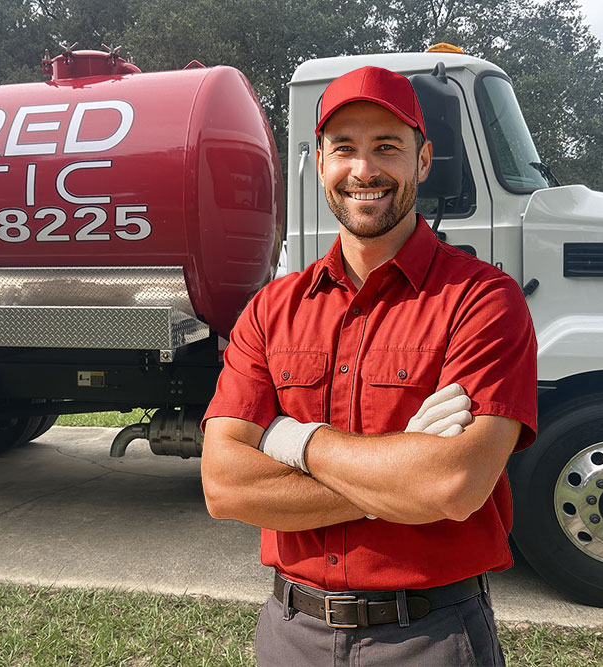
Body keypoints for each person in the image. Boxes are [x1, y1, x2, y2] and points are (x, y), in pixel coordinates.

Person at [200, 66, 537, 666]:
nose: (364, 170)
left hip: (430, 635)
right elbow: (224, 486)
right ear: (321, 163)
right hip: (289, 633)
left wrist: (292, 439)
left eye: (387, 147)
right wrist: (400, 471)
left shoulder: (483, 300)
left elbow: (453, 485)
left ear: (423, 160)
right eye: (344, 149)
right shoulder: (272, 309)